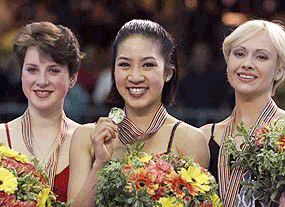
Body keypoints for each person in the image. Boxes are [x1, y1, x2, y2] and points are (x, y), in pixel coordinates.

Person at [67, 19, 210, 206]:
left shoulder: (190, 140)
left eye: (148, 65)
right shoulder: (87, 137)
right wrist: (100, 164)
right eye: (125, 65)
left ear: (168, 72)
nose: (135, 77)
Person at [199, 19, 285, 207]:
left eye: (261, 57)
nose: (247, 64)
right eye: (239, 54)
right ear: (228, 64)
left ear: (279, 71)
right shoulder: (203, 137)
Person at [0, 21, 84, 202]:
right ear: (21, 74)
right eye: (32, 70)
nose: (42, 81)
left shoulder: (87, 140)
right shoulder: (0, 136)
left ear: (73, 78)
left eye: (53, 70)